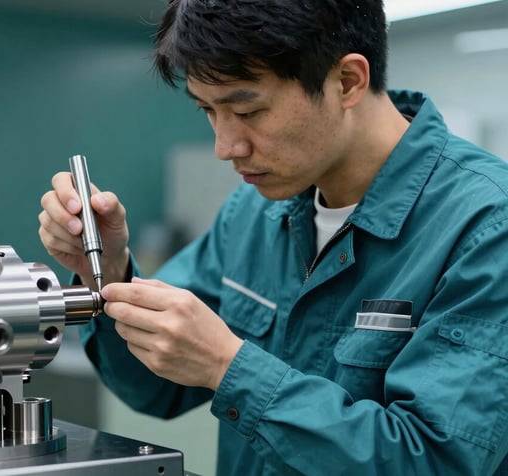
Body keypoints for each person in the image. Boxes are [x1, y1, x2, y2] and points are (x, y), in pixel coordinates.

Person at [37, 1, 508, 474]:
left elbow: (434, 460)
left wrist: (229, 366)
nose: (226, 147)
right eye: (208, 110)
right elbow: (155, 387)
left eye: (248, 110)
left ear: (346, 81)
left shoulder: (486, 227)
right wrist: (109, 268)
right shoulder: (255, 210)